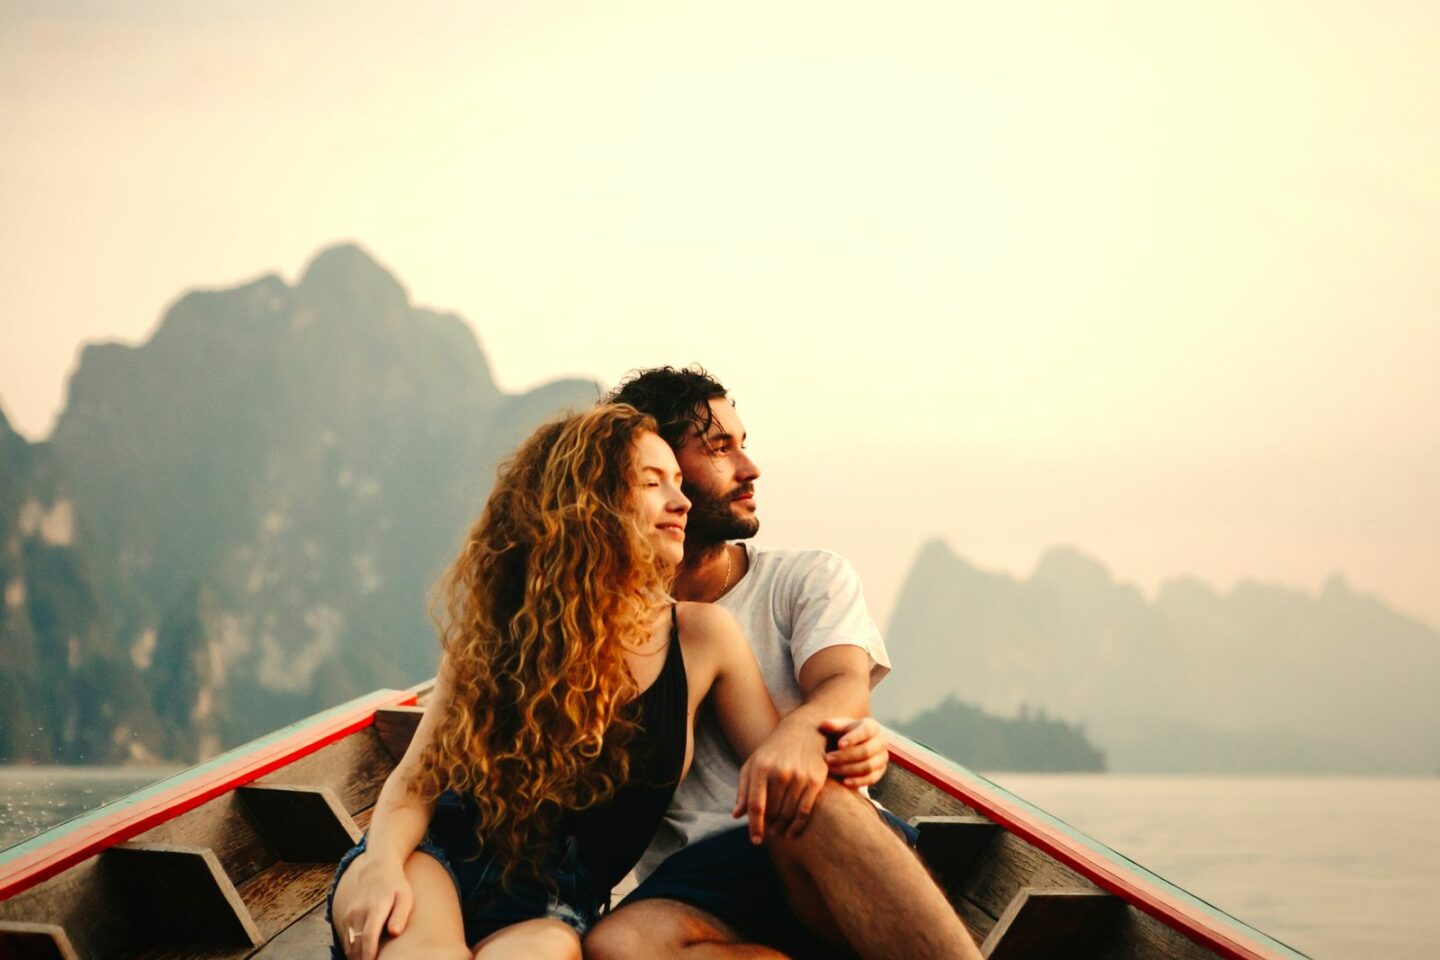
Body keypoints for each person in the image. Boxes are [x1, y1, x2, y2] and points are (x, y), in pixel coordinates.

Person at [327, 404, 782, 960]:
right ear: (592, 503)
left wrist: (827, 729)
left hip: (554, 916)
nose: (682, 501)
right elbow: (416, 785)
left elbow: (782, 762)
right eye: (651, 482)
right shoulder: (499, 632)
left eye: (680, 482)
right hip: (427, 866)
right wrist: (378, 867)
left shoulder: (702, 638)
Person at [585, 367, 982, 960]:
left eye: (743, 445)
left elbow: (843, 683)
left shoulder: (804, 579)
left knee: (808, 795)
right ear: (652, 473)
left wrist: (798, 736)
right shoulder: (601, 621)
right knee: (618, 947)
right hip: (696, 886)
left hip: (819, 845)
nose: (750, 469)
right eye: (720, 448)